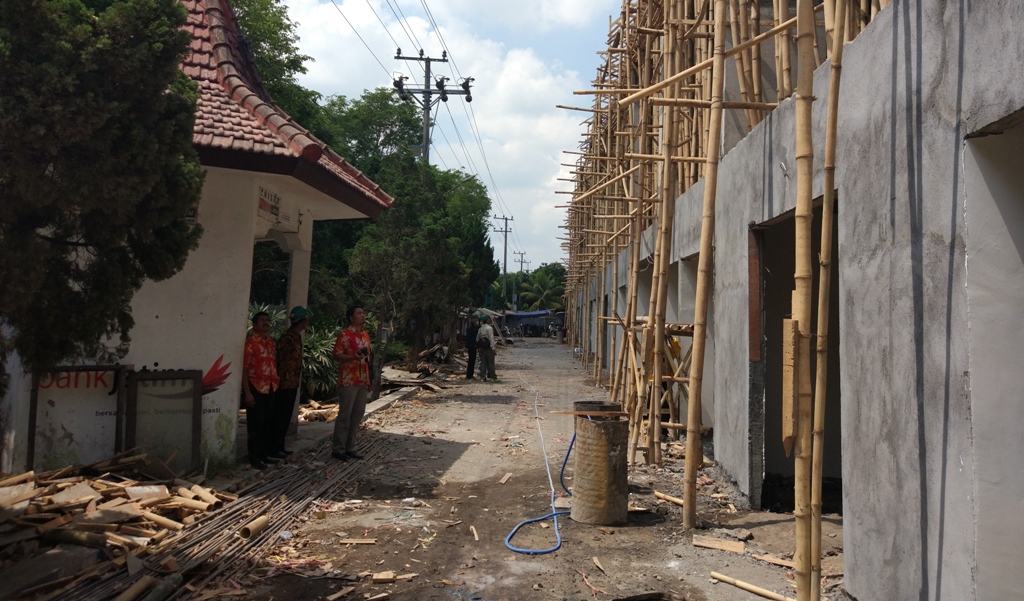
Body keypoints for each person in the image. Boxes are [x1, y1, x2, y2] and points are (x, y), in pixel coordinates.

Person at [331, 304, 371, 461]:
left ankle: (350, 447)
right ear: (351, 318)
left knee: (357, 415)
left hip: (363, 379)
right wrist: (352, 357)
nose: (363, 315)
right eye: (359, 313)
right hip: (348, 379)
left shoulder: (366, 335)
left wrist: (370, 378)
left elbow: (368, 358)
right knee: (345, 415)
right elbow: (336, 355)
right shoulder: (345, 335)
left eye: (363, 312)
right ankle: (338, 449)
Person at [243, 311, 280, 470]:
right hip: (256, 387)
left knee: (267, 422)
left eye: (267, 319)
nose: (266, 322)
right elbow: (244, 369)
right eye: (262, 320)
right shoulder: (250, 343)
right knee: (255, 425)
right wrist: (247, 393)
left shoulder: (270, 342)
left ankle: (264, 455)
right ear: (255, 324)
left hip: (271, 387)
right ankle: (255, 458)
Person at [273, 306, 309, 458]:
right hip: (283, 383)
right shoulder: (287, 338)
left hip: (292, 382)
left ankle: (279, 446)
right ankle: (274, 447)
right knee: (279, 417)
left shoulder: (296, 337)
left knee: (286, 416)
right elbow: (279, 360)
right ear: (302, 321)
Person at [477, 315, 498, 382]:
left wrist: (479, 348)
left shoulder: (480, 329)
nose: (490, 319)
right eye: (489, 318)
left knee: (482, 362)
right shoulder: (489, 328)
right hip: (489, 348)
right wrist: (493, 349)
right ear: (486, 320)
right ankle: (493, 377)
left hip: (482, 348)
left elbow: (477, 339)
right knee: (490, 363)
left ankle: (482, 377)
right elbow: (491, 339)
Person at [465, 314, 480, 380]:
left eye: (476, 318)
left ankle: (471, 374)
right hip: (471, 346)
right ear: (471, 319)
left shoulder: (476, 326)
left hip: (474, 345)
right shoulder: (470, 327)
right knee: (471, 361)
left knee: (473, 361)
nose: (475, 320)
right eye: (474, 318)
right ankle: (469, 375)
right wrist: (467, 346)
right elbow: (468, 338)